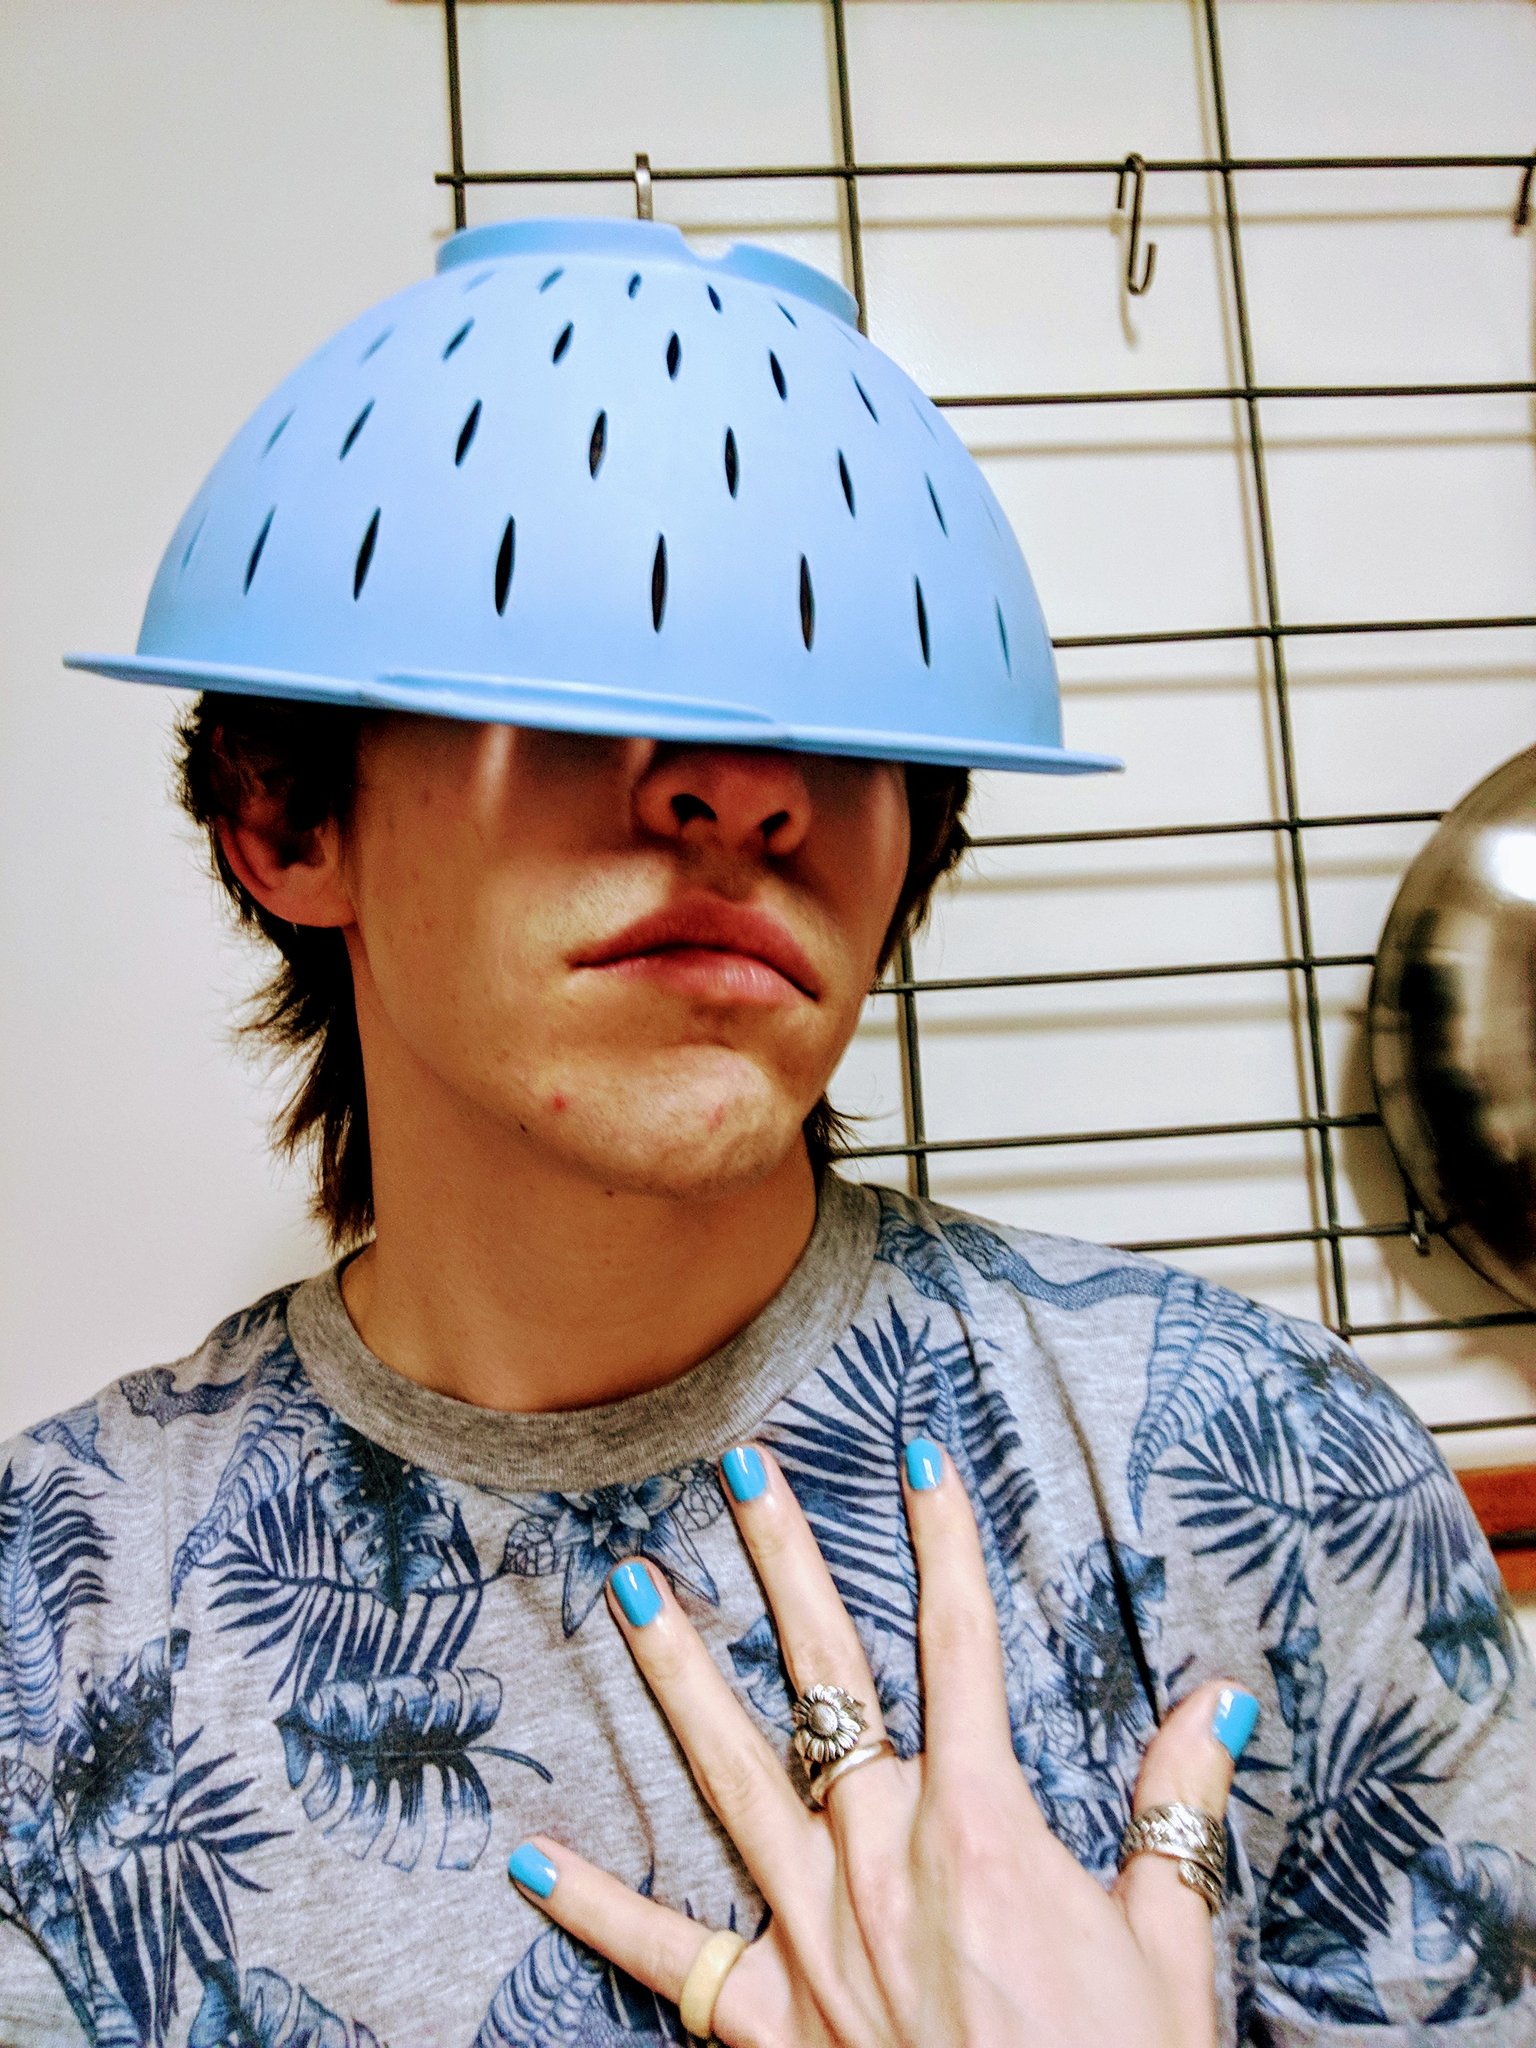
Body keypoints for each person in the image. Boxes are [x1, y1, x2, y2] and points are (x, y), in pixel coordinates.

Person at [2, 217, 1531, 2048]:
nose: (742, 791)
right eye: (568, 669)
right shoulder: (52, 1633)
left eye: (845, 702)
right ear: (285, 816)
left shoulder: (1268, 1473)